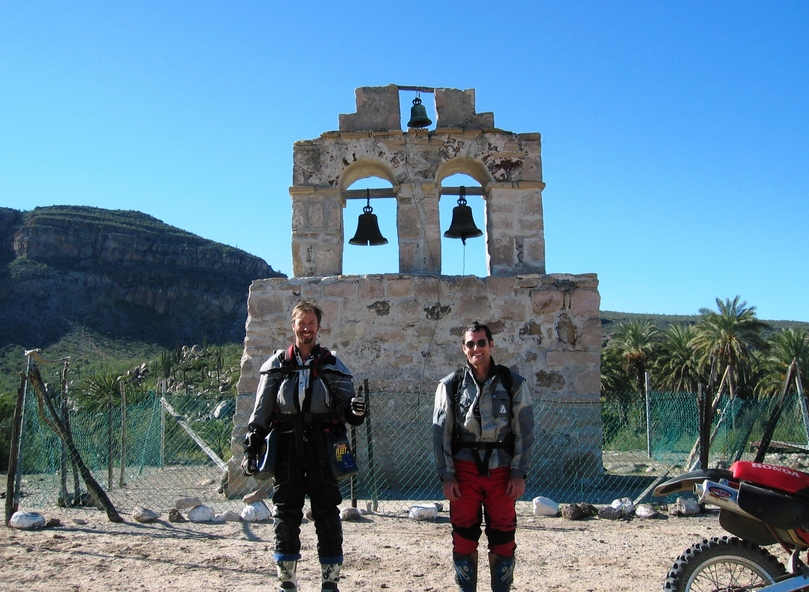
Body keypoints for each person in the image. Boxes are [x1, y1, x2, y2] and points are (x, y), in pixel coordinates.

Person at [241, 300, 366, 592]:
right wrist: (251, 446)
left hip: (324, 448)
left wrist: (355, 412)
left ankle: (330, 581)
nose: (306, 327)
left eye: (311, 322)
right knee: (285, 512)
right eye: (301, 322)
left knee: (327, 512)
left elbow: (346, 408)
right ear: (293, 325)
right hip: (285, 447)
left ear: (318, 327)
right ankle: (287, 580)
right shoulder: (276, 366)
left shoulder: (334, 366)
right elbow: (261, 410)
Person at [432, 321, 535, 592]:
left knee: (503, 533)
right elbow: (441, 433)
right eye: (470, 344)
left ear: (491, 345)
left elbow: (524, 430)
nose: (476, 348)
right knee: (463, 534)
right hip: (464, 470)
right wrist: (446, 476)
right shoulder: (450, 385)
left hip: (501, 471)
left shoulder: (513, 382)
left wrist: (519, 472)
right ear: (463, 348)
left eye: (481, 342)